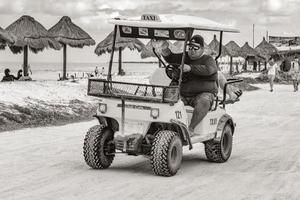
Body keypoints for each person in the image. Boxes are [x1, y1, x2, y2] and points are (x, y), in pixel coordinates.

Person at [152, 35, 219, 135]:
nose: (192, 50)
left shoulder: (208, 59)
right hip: (183, 93)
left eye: (195, 48)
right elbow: (171, 58)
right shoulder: (185, 56)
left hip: (203, 93)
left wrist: (191, 68)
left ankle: (191, 128)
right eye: (190, 47)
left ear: (202, 49)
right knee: (166, 100)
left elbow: (209, 70)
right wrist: (165, 48)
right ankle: (162, 126)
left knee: (204, 101)